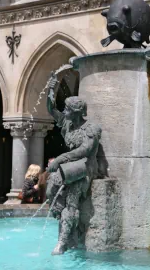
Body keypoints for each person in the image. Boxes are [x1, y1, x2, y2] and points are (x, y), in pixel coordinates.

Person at [46, 71, 102, 255]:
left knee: (72, 198)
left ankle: (62, 242)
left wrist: (61, 158)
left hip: (85, 167)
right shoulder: (67, 123)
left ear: (76, 112)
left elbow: (85, 150)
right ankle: (64, 219)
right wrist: (51, 91)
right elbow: (51, 110)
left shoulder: (91, 129)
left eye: (68, 110)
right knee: (51, 188)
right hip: (70, 166)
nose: (65, 112)